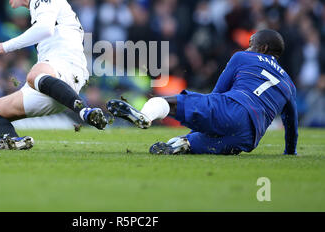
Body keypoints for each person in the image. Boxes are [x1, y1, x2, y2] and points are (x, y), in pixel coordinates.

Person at [0, 0, 107, 150]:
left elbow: (45, 29)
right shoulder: (39, 5)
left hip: (65, 67)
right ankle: (13, 140)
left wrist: (5, 46)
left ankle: (84, 111)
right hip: (53, 86)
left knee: (34, 74)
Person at [107, 29, 298, 155]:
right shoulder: (289, 83)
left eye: (252, 43)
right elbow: (291, 123)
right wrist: (290, 152)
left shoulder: (243, 57)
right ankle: (180, 144)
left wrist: (201, 119)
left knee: (169, 102)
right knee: (197, 143)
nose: (248, 47)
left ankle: (145, 116)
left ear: (262, 48)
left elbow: (217, 93)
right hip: (249, 136)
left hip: (234, 106)